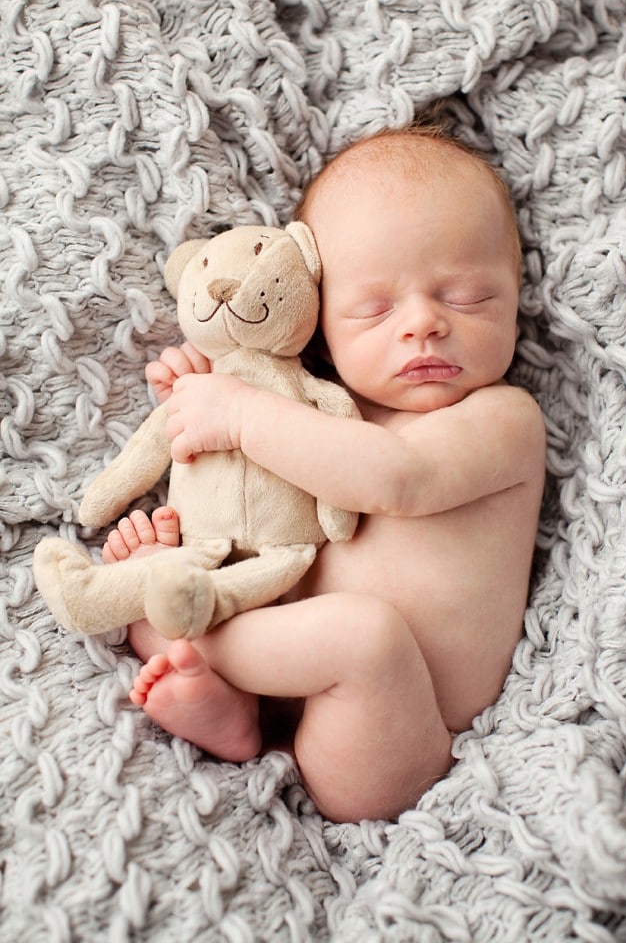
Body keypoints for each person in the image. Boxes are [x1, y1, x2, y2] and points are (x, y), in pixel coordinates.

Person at [104, 126, 546, 823]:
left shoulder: (502, 421)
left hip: (397, 741)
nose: (423, 325)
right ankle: (231, 716)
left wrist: (243, 416)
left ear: (516, 297)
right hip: (290, 668)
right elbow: (259, 493)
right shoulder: (316, 404)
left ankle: (185, 626)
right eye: (374, 308)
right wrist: (203, 394)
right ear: (317, 322)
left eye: (467, 297)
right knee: (317, 614)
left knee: (365, 638)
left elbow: (394, 477)